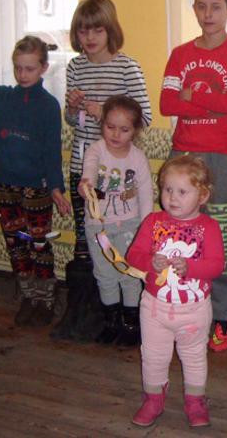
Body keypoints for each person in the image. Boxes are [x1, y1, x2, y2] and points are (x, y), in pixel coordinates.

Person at [160, 0, 227, 352]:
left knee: (223, 237)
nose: (208, 14)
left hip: (226, 158)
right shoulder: (180, 53)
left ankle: (223, 316)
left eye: (216, 7)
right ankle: (183, 305)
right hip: (183, 155)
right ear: (194, 9)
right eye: (202, 6)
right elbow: (167, 104)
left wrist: (190, 95)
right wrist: (205, 100)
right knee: (181, 236)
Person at [53, 0, 151, 341]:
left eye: (97, 30)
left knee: (123, 244)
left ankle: (129, 318)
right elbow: (72, 121)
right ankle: (95, 315)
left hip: (120, 172)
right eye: (83, 31)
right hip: (84, 169)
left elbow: (145, 118)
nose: (90, 37)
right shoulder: (75, 67)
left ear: (110, 30)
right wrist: (73, 109)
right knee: (89, 244)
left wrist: (103, 112)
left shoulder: (127, 67)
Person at [0, 35, 71, 327]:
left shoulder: (48, 106)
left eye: (29, 68)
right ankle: (28, 295)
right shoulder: (2, 98)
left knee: (39, 244)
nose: (23, 74)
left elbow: (52, 151)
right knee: (15, 242)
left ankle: (46, 298)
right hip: (6, 184)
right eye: (18, 68)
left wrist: (56, 188)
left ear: (43, 68)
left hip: (37, 187)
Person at [126, 155, 224, 428]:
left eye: (182, 192)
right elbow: (133, 255)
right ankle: (153, 398)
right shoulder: (153, 222)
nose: (172, 197)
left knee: (194, 357)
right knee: (153, 357)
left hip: (194, 310)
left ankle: (195, 401)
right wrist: (150, 262)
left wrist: (191, 267)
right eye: (168, 189)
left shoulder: (209, 227)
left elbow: (217, 266)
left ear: (202, 196)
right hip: (155, 307)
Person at [78, 96, 153, 346]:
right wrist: (86, 184)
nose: (116, 134)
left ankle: (131, 324)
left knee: (129, 275)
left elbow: (146, 195)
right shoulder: (96, 150)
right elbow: (89, 170)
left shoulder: (138, 158)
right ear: (102, 123)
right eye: (110, 127)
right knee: (105, 275)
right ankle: (111, 322)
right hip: (98, 227)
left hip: (130, 226)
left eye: (124, 129)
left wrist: (146, 231)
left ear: (135, 131)